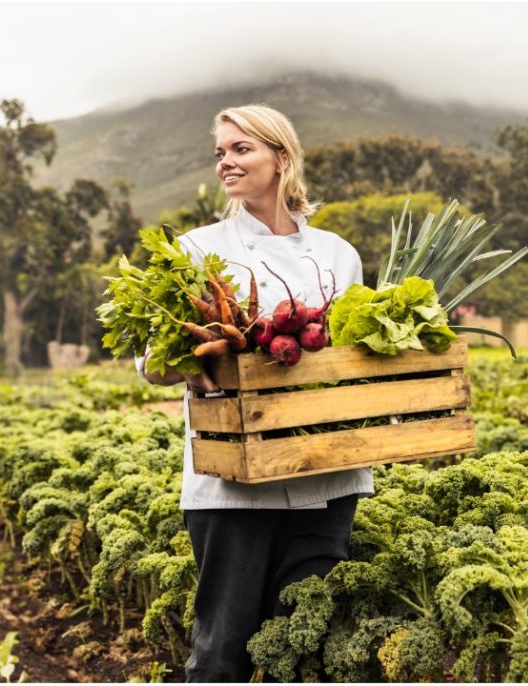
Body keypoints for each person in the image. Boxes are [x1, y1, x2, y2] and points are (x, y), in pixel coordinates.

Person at [138, 104, 372, 682]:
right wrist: (190, 365)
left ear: (282, 158)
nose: (226, 162)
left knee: (301, 652)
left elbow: (352, 355)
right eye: (221, 152)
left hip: (328, 475)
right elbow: (150, 360)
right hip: (234, 484)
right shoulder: (197, 249)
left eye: (241, 149)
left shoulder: (338, 253)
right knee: (223, 654)